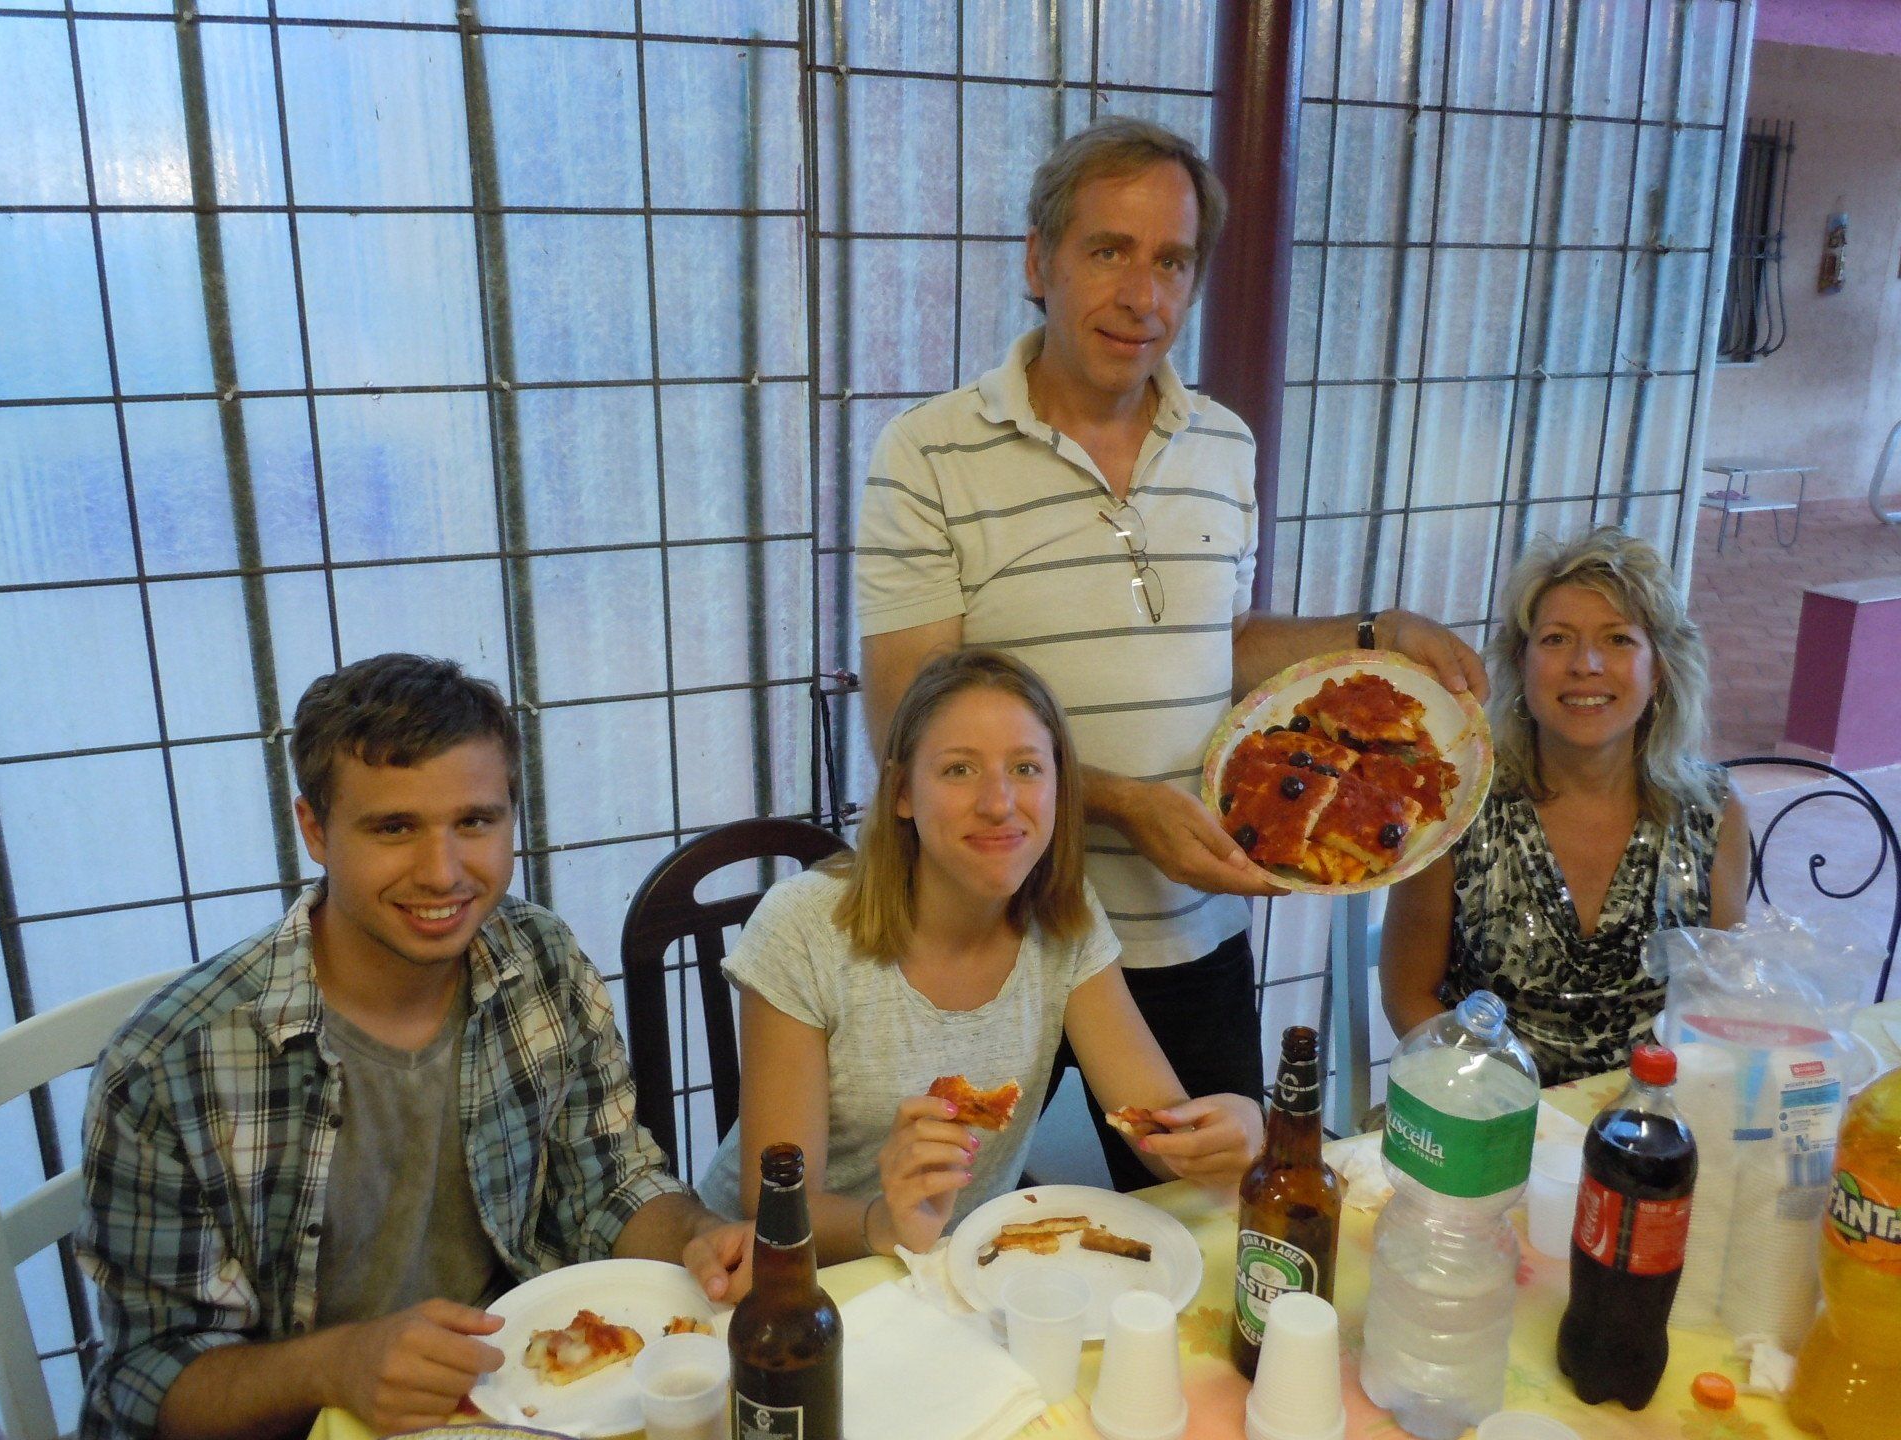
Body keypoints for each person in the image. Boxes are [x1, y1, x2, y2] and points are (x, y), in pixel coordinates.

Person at [855, 116, 1485, 1186]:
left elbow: (1220, 644)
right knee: (929, 1236)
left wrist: (1375, 633)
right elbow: (907, 719)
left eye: (1172, 261)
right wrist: (1127, 803)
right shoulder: (928, 452)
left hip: (1189, 932)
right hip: (991, 934)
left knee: (1214, 1224)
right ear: (1039, 259)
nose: (1142, 294)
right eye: (1109, 251)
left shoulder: (1224, 444)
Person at [76, 655, 751, 1440]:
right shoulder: (170, 1067)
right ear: (314, 830)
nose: (443, 873)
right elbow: (146, 1383)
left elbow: (608, 1185)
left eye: (475, 822)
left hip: (515, 1399)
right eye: (394, 827)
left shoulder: (540, 959)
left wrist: (696, 1237)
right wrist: (336, 1365)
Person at [696, 649, 1263, 1258]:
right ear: (902, 793)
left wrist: (1234, 1131)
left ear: (1058, 790)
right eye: (959, 770)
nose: (999, 803)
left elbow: (1158, 1131)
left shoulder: (1067, 920)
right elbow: (775, 1199)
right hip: (771, 1273)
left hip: (954, 1273)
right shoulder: (802, 928)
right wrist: (888, 1221)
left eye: (1026, 769)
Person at [1379, 528, 1750, 1083]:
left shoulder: (1713, 811)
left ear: (1660, 672)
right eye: (1556, 639)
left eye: (1619, 640)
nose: (1586, 664)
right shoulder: (1457, 804)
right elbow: (1408, 997)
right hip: (1484, 1110)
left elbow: (1720, 1002)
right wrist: (1508, 1104)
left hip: (1650, 1120)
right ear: (1521, 665)